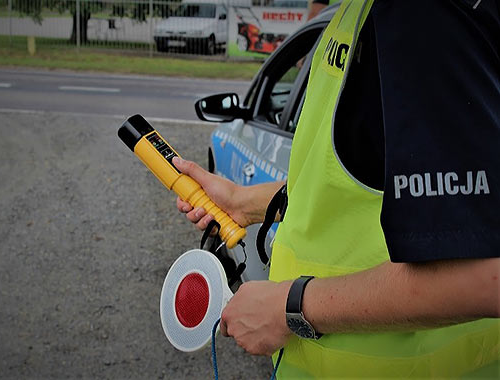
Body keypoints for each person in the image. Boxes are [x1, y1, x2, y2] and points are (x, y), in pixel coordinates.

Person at [173, 0, 499, 377]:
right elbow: (357, 192)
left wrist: (290, 308)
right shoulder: (361, 13)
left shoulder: (420, 14)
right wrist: (243, 203)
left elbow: (485, 273)